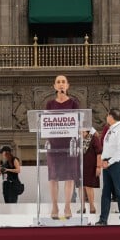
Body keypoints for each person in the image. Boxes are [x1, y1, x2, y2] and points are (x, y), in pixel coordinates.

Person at [44, 74, 80, 220]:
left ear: (67, 86)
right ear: (54, 86)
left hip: (69, 144)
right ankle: (54, 206)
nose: (61, 84)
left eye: (63, 82)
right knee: (53, 177)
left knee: (69, 177)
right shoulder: (49, 104)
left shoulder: (74, 103)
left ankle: (67, 206)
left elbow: (78, 121)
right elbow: (45, 122)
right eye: (58, 82)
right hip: (53, 144)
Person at [96, 109, 120, 226]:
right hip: (107, 163)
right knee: (106, 191)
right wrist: (103, 161)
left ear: (110, 117)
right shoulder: (111, 129)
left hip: (116, 162)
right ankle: (103, 219)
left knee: (119, 191)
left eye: (107, 116)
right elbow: (107, 147)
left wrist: (109, 162)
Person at [81, 126, 103, 214]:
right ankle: (82, 207)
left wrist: (98, 166)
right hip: (81, 166)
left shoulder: (94, 138)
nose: (81, 134)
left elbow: (99, 153)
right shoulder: (78, 139)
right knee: (81, 187)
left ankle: (92, 207)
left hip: (90, 166)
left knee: (89, 186)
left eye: (83, 132)